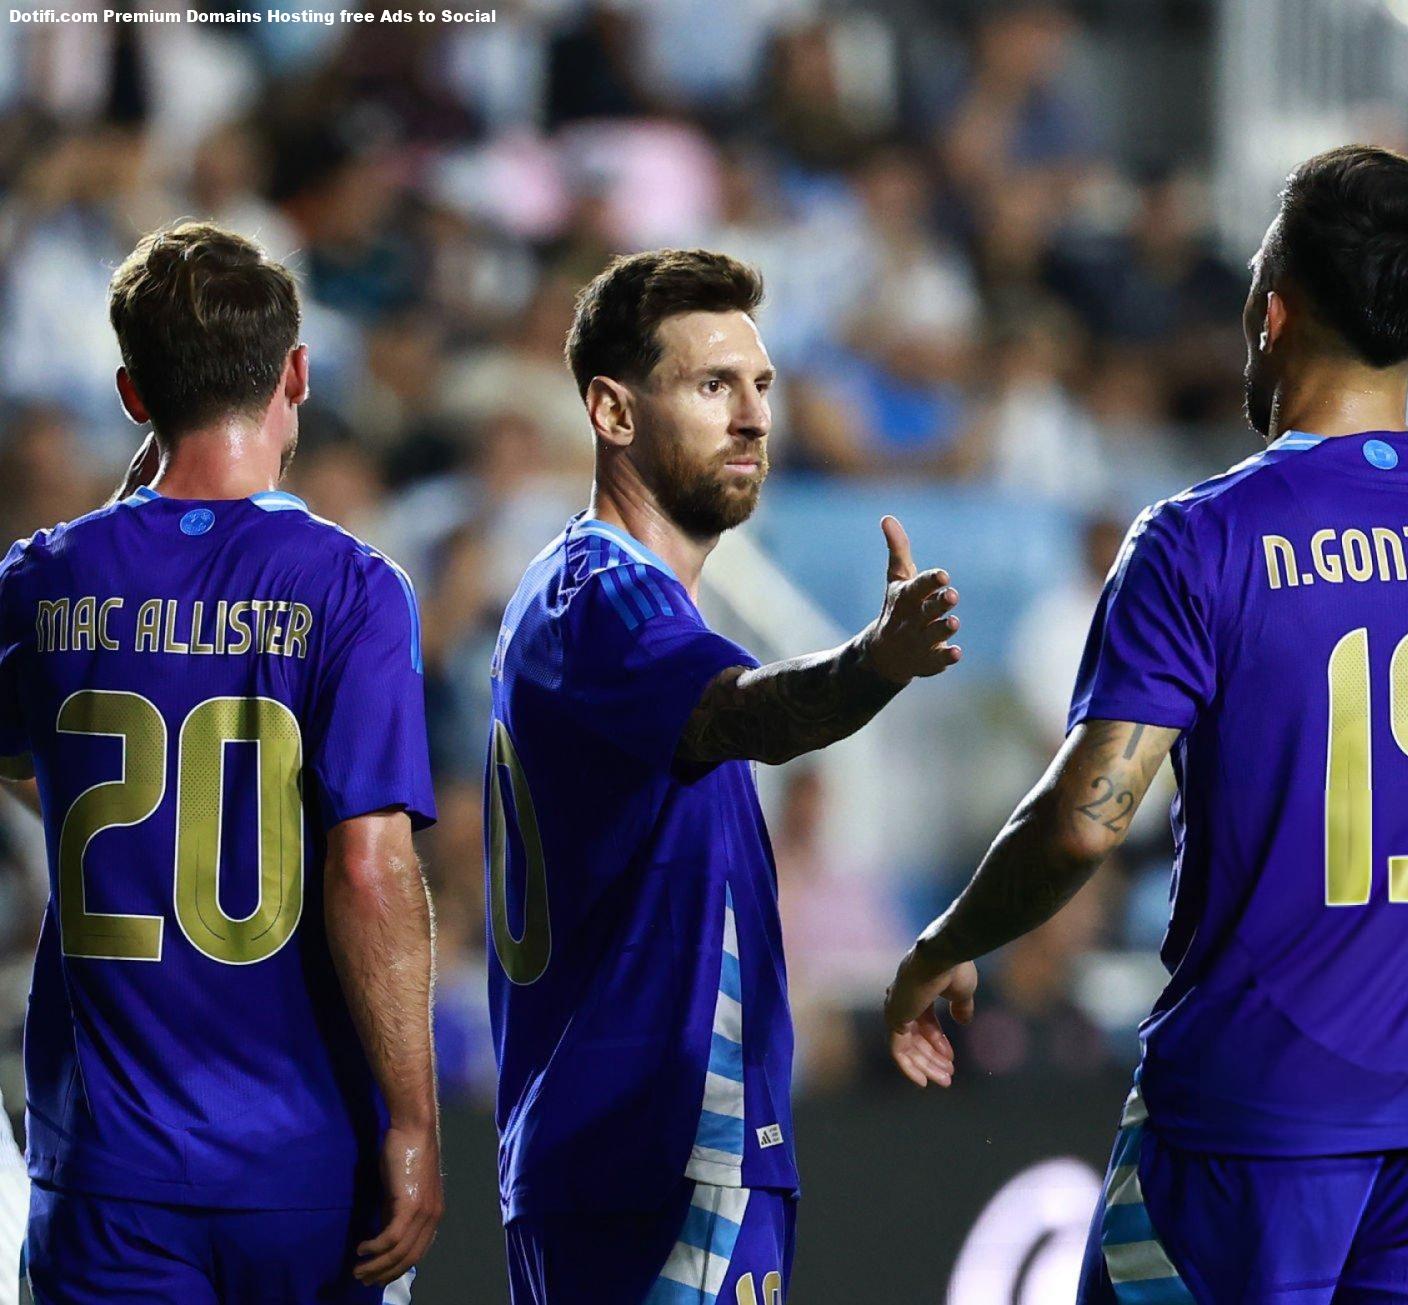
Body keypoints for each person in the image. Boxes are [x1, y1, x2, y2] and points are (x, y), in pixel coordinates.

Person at [888, 145, 1408, 1300]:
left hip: (1254, 1122)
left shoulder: (1202, 540)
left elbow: (1086, 820)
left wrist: (942, 943)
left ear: (1270, 311)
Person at [488, 249, 963, 1305]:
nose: (753, 418)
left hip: (603, 1149)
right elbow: (745, 713)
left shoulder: (584, 597)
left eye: (761, 385)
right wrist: (876, 661)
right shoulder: (607, 595)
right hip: (664, 1148)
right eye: (712, 385)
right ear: (612, 411)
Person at [0, 221, 442, 1301]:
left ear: (133, 396)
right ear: (296, 373)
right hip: (302, 1162)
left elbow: (32, 767)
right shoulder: (352, 587)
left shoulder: (40, 582)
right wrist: (415, 1119)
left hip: (106, 1170)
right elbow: (370, 868)